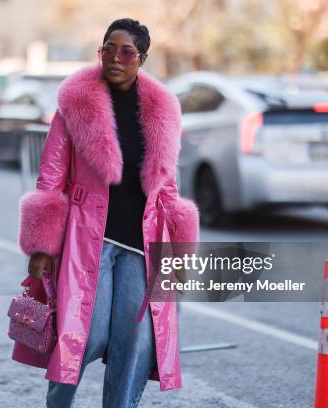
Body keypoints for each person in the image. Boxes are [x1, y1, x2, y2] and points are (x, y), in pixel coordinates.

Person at [14, 18, 200, 408]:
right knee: (85, 334)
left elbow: (166, 186)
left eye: (126, 51)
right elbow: (51, 176)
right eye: (107, 49)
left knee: (134, 341)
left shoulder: (161, 109)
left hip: (143, 243)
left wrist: (178, 251)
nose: (115, 58)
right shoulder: (74, 103)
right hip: (88, 238)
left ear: (142, 58)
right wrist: (42, 245)